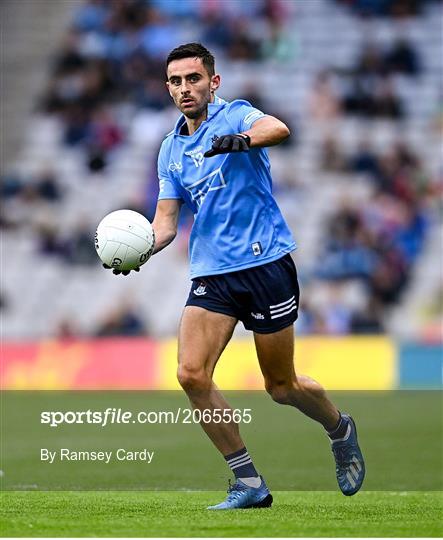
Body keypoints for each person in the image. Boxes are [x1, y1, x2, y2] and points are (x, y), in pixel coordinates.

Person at [105, 43, 365, 509]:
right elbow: (166, 222)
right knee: (190, 373)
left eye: (194, 79)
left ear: (213, 82)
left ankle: (338, 426)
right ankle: (248, 482)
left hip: (266, 266)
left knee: (281, 387)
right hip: (212, 273)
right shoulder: (170, 151)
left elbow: (278, 128)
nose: (186, 88)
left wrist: (242, 140)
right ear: (167, 88)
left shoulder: (236, 115)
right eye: (177, 81)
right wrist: (140, 249)